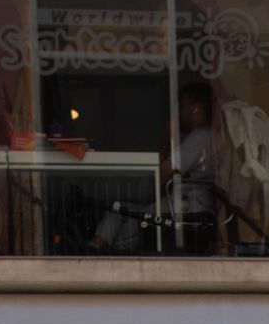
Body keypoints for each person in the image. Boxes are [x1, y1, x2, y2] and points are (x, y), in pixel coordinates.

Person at [89, 80, 216, 254]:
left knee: (137, 220)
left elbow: (163, 172)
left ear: (197, 108)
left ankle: (116, 256)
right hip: (176, 205)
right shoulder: (202, 137)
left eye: (182, 106)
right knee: (117, 210)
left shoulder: (201, 136)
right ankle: (91, 251)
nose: (179, 113)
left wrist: (165, 136)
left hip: (187, 209)